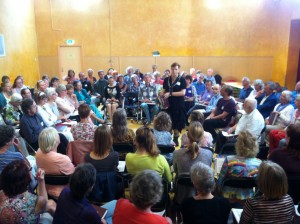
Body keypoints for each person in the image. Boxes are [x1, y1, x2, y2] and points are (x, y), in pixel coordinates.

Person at [173, 121, 213, 204]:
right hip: (203, 197)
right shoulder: (209, 154)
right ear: (202, 137)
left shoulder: (177, 153)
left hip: (181, 196)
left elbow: (176, 172)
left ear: (187, 135)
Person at [218, 131, 262, 200]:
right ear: (255, 145)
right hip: (248, 198)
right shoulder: (259, 163)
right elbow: (259, 184)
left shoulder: (229, 160)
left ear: (238, 145)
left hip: (228, 197)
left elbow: (220, 180)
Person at [36, 127, 75, 198]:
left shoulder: (38, 153)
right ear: (55, 141)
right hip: (61, 192)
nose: (59, 135)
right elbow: (73, 174)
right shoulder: (63, 159)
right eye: (57, 134)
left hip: (44, 189)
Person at [161, 62, 186, 146]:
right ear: (170, 69)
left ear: (178, 70)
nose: (174, 71)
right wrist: (161, 93)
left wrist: (170, 94)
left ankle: (176, 139)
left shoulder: (182, 79)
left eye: (176, 69)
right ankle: (168, 138)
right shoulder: (166, 79)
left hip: (178, 104)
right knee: (168, 122)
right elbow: (164, 90)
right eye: (172, 69)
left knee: (176, 123)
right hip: (168, 104)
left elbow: (183, 93)